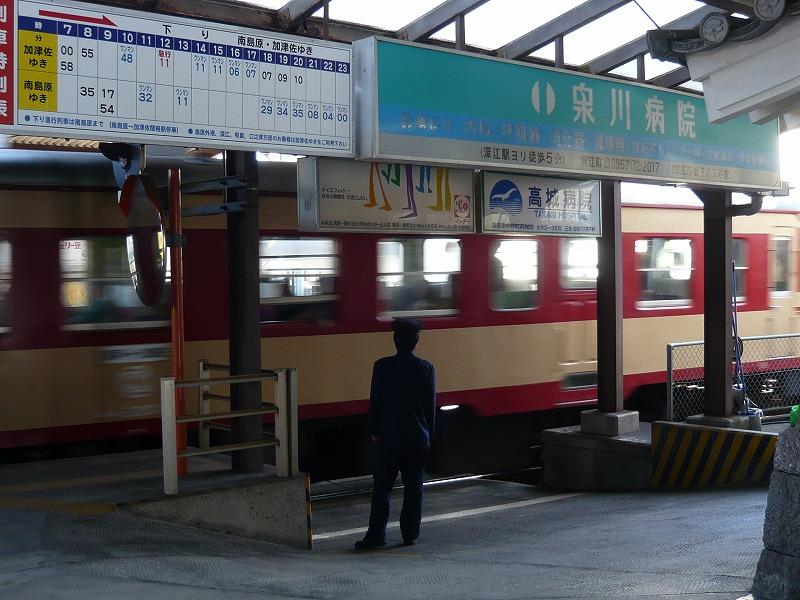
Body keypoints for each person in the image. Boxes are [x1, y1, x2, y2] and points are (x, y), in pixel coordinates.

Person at [355, 318, 436, 550]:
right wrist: (429, 436)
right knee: (414, 488)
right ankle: (410, 534)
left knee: (382, 489)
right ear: (416, 342)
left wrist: (374, 431)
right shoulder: (426, 368)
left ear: (395, 340)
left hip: (388, 438)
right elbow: (429, 408)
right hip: (417, 439)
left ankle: (376, 536)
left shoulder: (381, 366)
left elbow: (375, 402)